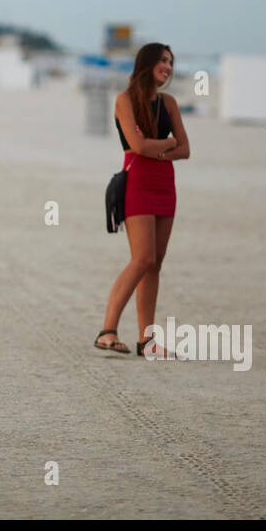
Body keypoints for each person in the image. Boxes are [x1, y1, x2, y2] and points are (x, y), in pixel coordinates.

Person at [94, 43, 190, 358]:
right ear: (147, 63)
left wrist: (156, 146)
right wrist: (167, 145)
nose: (169, 67)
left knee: (155, 265)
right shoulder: (125, 100)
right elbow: (136, 145)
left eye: (172, 62)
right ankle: (107, 331)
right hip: (137, 182)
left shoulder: (170, 103)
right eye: (163, 60)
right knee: (142, 259)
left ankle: (147, 341)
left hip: (165, 185)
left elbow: (185, 149)